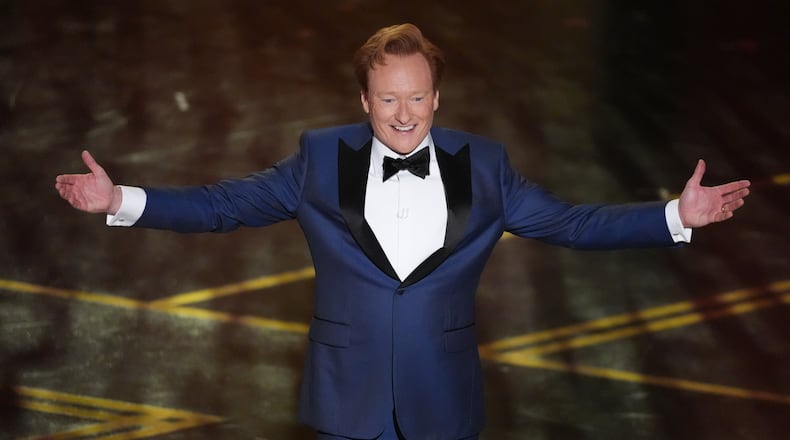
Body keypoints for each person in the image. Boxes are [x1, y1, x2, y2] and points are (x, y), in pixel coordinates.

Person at [55, 23, 750, 440]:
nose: (405, 112)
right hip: (346, 402)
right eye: (388, 98)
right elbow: (223, 205)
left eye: (418, 96)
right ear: (364, 101)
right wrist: (123, 198)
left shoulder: (486, 164)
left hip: (442, 403)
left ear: (437, 97)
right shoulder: (318, 159)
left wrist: (673, 217)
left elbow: (572, 222)